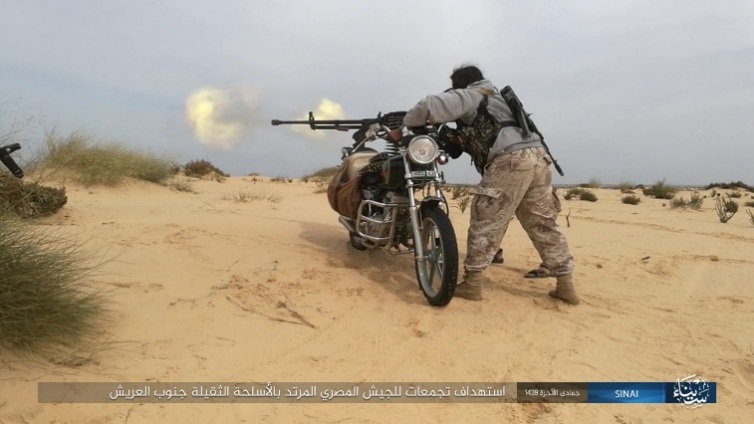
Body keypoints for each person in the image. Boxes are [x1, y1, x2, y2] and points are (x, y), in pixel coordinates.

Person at [387, 64, 579, 304]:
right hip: (538, 158)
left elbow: (429, 105)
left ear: (460, 84)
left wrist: (405, 125)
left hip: (510, 160)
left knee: (485, 220)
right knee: (543, 222)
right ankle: (566, 285)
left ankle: (473, 284)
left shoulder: (472, 95)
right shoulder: (500, 101)